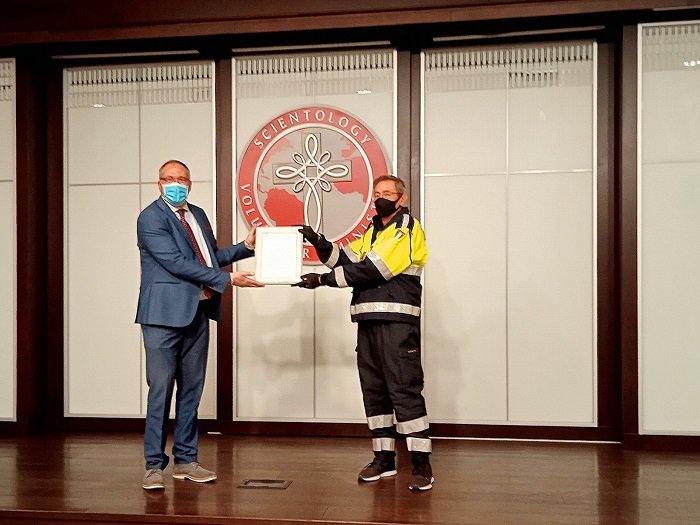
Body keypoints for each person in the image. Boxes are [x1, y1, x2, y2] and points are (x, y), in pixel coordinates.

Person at [293, 175, 433, 491]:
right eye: (377, 193)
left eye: (388, 193)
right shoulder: (373, 232)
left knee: (404, 391)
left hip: (397, 324)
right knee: (375, 392)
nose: (381, 197)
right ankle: (384, 460)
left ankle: (421, 465)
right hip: (368, 322)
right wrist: (319, 243)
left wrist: (322, 280)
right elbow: (346, 259)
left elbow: (374, 269)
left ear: (402, 199)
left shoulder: (405, 228)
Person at [136, 159, 264, 490]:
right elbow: (176, 263)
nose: (176, 185)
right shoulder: (151, 218)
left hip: (197, 312)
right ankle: (153, 465)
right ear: (159, 183)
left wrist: (245, 247)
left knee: (191, 391)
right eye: (169, 179)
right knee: (160, 390)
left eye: (182, 179)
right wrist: (229, 279)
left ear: (190, 184)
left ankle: (186, 460)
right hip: (162, 317)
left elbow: (207, 259)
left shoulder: (198, 215)